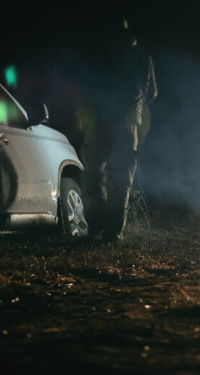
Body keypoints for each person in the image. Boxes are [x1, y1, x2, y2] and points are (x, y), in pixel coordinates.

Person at [74, 18, 157, 240]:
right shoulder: (142, 56)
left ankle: (94, 225)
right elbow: (150, 95)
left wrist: (84, 116)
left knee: (93, 175)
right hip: (127, 125)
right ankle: (113, 232)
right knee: (120, 179)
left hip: (98, 122)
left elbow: (83, 87)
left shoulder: (95, 53)